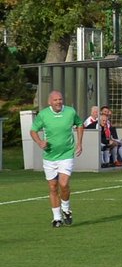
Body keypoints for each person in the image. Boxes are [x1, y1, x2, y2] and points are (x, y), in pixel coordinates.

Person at [29, 90, 84, 227]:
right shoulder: (43, 115)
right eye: (55, 100)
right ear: (49, 102)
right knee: (53, 187)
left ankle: (66, 209)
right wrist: (40, 142)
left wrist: (79, 143)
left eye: (60, 99)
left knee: (64, 184)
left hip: (66, 154)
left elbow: (80, 124)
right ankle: (57, 218)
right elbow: (33, 131)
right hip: (49, 157)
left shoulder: (70, 112)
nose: (59, 102)